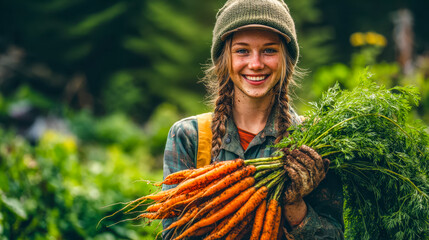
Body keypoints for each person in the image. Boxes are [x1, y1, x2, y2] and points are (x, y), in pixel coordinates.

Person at [162, 0, 344, 239]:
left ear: (286, 60)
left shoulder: (313, 142)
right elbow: (173, 233)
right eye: (242, 51)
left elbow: (334, 235)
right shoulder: (190, 136)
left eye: (269, 50)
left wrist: (294, 205)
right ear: (224, 59)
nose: (256, 64)